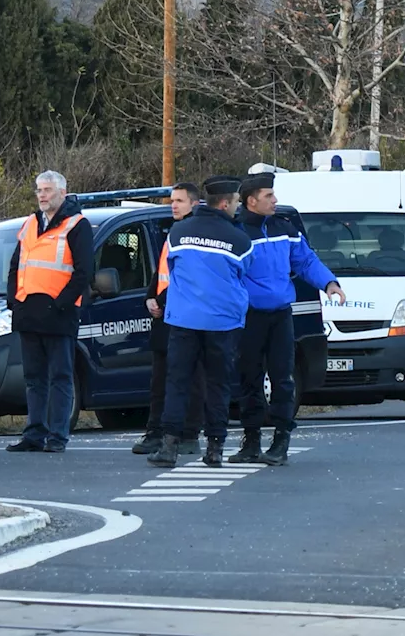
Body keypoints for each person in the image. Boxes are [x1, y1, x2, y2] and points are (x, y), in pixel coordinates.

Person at [230, 171, 345, 466]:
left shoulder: (285, 228)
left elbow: (305, 260)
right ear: (251, 200)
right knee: (249, 378)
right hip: (249, 317)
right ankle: (251, 439)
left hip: (281, 315)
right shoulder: (237, 233)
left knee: (282, 377)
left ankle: (281, 439)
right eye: (269, 196)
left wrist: (329, 283)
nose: (275, 200)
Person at [149, 176, 253, 469]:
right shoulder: (239, 239)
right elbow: (244, 272)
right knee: (218, 384)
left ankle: (169, 446)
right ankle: (215, 449)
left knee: (178, 382)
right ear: (224, 203)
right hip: (222, 322)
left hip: (184, 320)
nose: (237, 207)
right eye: (235, 202)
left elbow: (171, 269)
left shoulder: (179, 232)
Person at [5, 170, 94, 454]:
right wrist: (13, 301)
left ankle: (57, 435)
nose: (41, 195)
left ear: (62, 193)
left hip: (58, 314)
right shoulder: (31, 223)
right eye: (39, 190)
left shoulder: (77, 225)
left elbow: (83, 273)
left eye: (47, 190)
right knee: (33, 378)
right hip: (29, 312)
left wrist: (61, 304)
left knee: (60, 377)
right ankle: (34, 433)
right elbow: (16, 266)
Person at [133, 182, 207, 457]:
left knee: (191, 377)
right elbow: (162, 272)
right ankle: (155, 432)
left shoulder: (194, 233)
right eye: (172, 200)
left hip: (186, 316)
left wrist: (160, 302)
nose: (173, 205)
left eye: (179, 200)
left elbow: (186, 276)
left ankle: (189, 434)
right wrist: (150, 297)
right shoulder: (173, 232)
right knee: (160, 379)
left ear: (194, 204)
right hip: (165, 316)